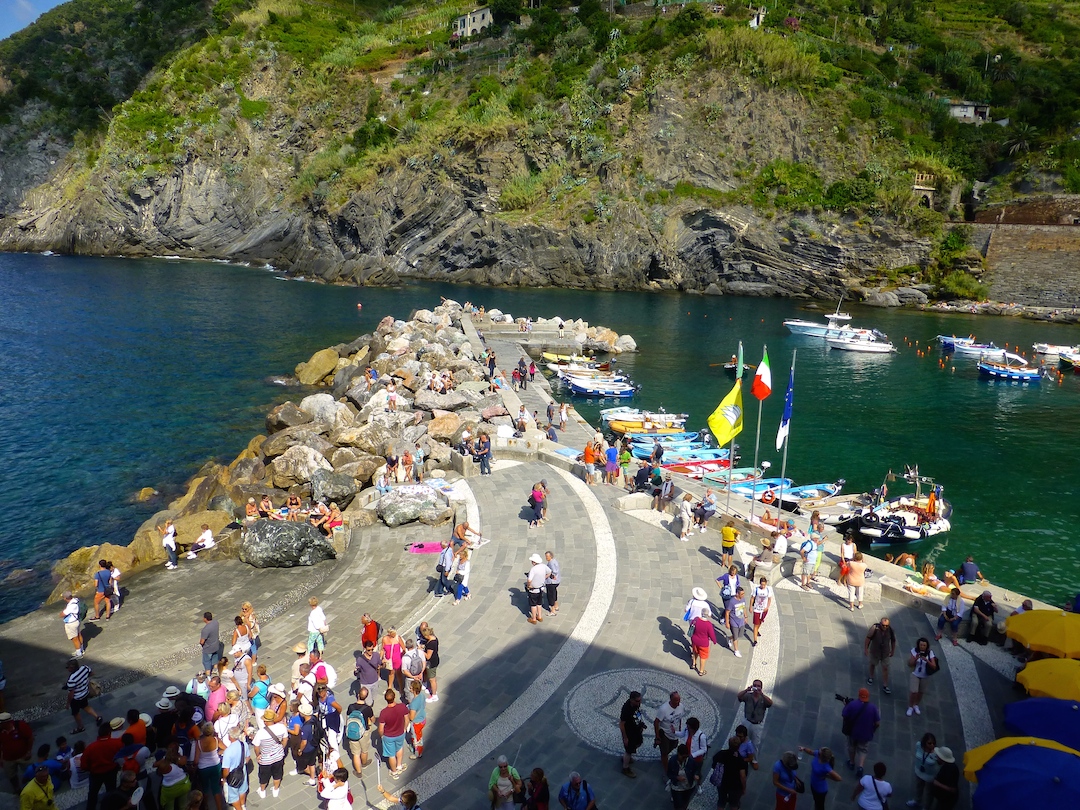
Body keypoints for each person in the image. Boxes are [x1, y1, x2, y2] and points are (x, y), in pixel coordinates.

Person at [82, 724, 122, 810]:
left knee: (93, 793)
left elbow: (83, 765)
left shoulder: (90, 748)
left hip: (96, 774)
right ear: (109, 733)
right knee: (111, 791)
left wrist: (91, 769)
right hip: (111, 771)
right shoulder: (117, 743)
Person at [841, 688, 880, 777]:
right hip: (865, 734)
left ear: (859, 695)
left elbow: (844, 715)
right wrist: (873, 729)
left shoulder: (852, 705)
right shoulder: (873, 708)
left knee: (851, 746)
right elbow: (877, 723)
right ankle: (860, 766)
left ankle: (852, 763)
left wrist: (846, 705)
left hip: (853, 732)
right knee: (863, 749)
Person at [252, 709, 287, 799]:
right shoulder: (282, 727)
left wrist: (258, 755)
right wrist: (281, 748)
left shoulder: (261, 733)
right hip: (279, 756)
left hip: (265, 759)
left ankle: (262, 791)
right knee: (278, 774)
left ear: (265, 721)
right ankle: (276, 789)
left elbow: (256, 747)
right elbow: (285, 739)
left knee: (263, 776)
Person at [736, 681, 772, 768]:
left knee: (755, 743)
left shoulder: (763, 698)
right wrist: (746, 690)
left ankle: (754, 760)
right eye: (755, 685)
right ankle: (740, 754)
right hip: (747, 721)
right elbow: (739, 696)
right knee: (742, 738)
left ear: (761, 688)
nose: (756, 687)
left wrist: (762, 694)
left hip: (757, 724)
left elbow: (770, 703)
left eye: (758, 686)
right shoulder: (748, 696)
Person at [797, 745, 842, 810]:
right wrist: (804, 749)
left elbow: (839, 778)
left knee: (820, 805)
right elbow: (811, 752)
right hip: (813, 783)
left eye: (819, 751)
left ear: (822, 756)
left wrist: (826, 776)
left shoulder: (826, 767)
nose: (818, 751)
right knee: (816, 801)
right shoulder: (818, 754)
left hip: (820, 789)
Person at [378, 690, 410, 779]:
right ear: (394, 697)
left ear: (385, 699)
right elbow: (407, 720)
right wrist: (404, 729)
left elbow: (380, 728)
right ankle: (399, 766)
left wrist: (382, 735)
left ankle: (394, 772)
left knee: (391, 755)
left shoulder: (384, 713)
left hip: (388, 736)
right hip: (400, 733)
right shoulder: (402, 707)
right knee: (399, 748)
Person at [712, 736, 749, 810]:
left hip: (722, 783)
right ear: (739, 747)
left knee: (721, 801)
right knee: (734, 804)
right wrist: (744, 788)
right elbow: (743, 776)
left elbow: (714, 764)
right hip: (735, 786)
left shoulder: (721, 753)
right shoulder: (740, 760)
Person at [654, 691, 686, 774]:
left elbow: (680, 718)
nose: (678, 703)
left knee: (674, 746)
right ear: (671, 700)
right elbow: (656, 722)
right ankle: (666, 770)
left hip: (675, 733)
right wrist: (657, 736)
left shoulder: (681, 706)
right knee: (664, 753)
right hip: (665, 734)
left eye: (679, 700)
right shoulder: (663, 709)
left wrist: (679, 728)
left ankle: (663, 757)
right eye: (676, 700)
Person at [1, 712, 34, 791]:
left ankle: (33, 785)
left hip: (23, 756)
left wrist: (29, 751)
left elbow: (30, 738)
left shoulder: (20, 725)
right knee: (11, 775)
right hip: (8, 759)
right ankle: (17, 788)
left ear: (7, 722)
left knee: (30, 771)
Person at [65, 659, 99, 734]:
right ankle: (97, 717)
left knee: (76, 713)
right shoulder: (84, 668)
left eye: (67, 667)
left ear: (72, 668)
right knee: (85, 706)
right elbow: (92, 673)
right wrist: (83, 678)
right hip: (85, 693)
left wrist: (68, 704)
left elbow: (71, 694)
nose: (67, 669)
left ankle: (80, 727)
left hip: (76, 698)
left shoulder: (72, 679)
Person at [864, 617, 897, 695]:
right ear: (880, 623)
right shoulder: (874, 628)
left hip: (885, 653)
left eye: (886, 625)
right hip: (875, 651)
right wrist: (866, 649)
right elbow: (868, 638)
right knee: (873, 664)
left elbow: (893, 640)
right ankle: (871, 677)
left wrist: (893, 650)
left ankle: (885, 685)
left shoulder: (890, 630)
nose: (885, 627)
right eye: (883, 625)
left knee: (885, 668)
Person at [906, 638, 938, 717]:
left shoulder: (930, 653)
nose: (922, 647)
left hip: (925, 675)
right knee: (914, 691)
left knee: (921, 692)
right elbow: (910, 664)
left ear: (926, 646)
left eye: (924, 645)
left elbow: (934, 666)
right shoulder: (914, 651)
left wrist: (927, 660)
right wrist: (916, 658)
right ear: (918, 645)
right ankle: (910, 706)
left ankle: (916, 704)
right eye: (921, 645)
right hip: (915, 674)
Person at [907, 732, 939, 809]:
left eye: (933, 743)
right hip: (919, 772)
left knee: (929, 793)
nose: (932, 745)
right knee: (918, 787)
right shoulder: (918, 745)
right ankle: (917, 801)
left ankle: (926, 807)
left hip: (929, 776)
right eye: (929, 743)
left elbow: (938, 764)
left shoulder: (936, 753)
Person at [619, 691, 646, 778]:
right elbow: (621, 724)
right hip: (630, 733)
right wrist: (625, 737)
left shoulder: (635, 705)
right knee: (629, 750)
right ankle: (625, 768)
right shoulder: (626, 709)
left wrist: (640, 725)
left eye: (640, 700)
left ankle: (626, 758)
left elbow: (637, 714)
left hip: (636, 730)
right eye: (637, 701)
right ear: (631, 700)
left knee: (638, 743)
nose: (639, 703)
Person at [220, 727, 248, 810]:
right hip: (242, 771)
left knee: (233, 796)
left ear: (230, 737)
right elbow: (248, 758)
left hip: (232, 775)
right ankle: (243, 805)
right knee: (242, 790)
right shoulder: (244, 744)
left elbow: (226, 769)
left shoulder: (228, 752)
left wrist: (224, 778)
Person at [667, 743, 699, 810]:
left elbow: (696, 770)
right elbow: (669, 774)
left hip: (688, 786)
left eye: (686, 757)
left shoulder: (691, 760)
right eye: (683, 757)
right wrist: (677, 777)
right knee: (678, 805)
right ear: (678, 754)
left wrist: (695, 775)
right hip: (677, 787)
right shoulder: (672, 761)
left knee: (685, 801)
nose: (684, 759)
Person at [689, 609, 717, 676]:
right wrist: (714, 641)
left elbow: (691, 626)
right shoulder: (708, 624)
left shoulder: (696, 619)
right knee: (703, 657)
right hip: (703, 643)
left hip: (694, 640)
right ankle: (701, 671)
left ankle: (693, 664)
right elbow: (711, 635)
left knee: (695, 652)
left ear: (701, 613)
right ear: (707, 615)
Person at [526, 553, 551, 625]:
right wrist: (544, 577)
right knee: (539, 603)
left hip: (533, 590)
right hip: (541, 589)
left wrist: (528, 586)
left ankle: (534, 619)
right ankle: (539, 616)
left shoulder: (533, 569)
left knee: (533, 605)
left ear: (534, 562)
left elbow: (529, 580)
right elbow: (549, 572)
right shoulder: (543, 566)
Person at [725, 587, 749, 658]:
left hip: (741, 620)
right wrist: (727, 622)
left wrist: (746, 617)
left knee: (739, 635)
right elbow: (727, 612)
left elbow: (744, 608)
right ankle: (736, 650)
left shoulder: (743, 599)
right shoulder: (732, 601)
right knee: (735, 637)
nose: (743, 595)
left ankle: (729, 638)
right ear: (737, 594)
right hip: (734, 621)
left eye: (743, 593)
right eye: (742, 594)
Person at [60, 591, 85, 658]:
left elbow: (62, 614)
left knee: (74, 639)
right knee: (78, 634)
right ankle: (81, 649)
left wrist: (61, 613)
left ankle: (79, 654)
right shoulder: (76, 600)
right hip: (76, 621)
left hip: (71, 623)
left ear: (65, 598)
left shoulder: (71, 606)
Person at [751, 577, 774, 646]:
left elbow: (769, 599)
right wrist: (750, 606)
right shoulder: (756, 589)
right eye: (762, 584)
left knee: (760, 621)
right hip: (757, 609)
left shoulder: (768, 590)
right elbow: (752, 598)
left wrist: (767, 607)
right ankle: (755, 640)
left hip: (764, 609)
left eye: (764, 584)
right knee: (756, 624)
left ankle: (757, 630)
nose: (763, 586)